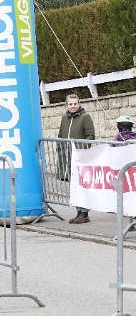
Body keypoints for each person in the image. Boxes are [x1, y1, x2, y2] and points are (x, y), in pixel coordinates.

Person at [58, 94, 96, 224]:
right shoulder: (64, 118)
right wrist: (61, 149)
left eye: (75, 104)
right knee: (74, 186)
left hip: (80, 156)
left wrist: (81, 150)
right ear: (66, 105)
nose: (73, 106)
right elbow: (60, 135)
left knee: (82, 185)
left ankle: (84, 213)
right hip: (68, 156)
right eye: (70, 104)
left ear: (79, 104)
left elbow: (90, 136)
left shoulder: (85, 117)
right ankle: (79, 211)